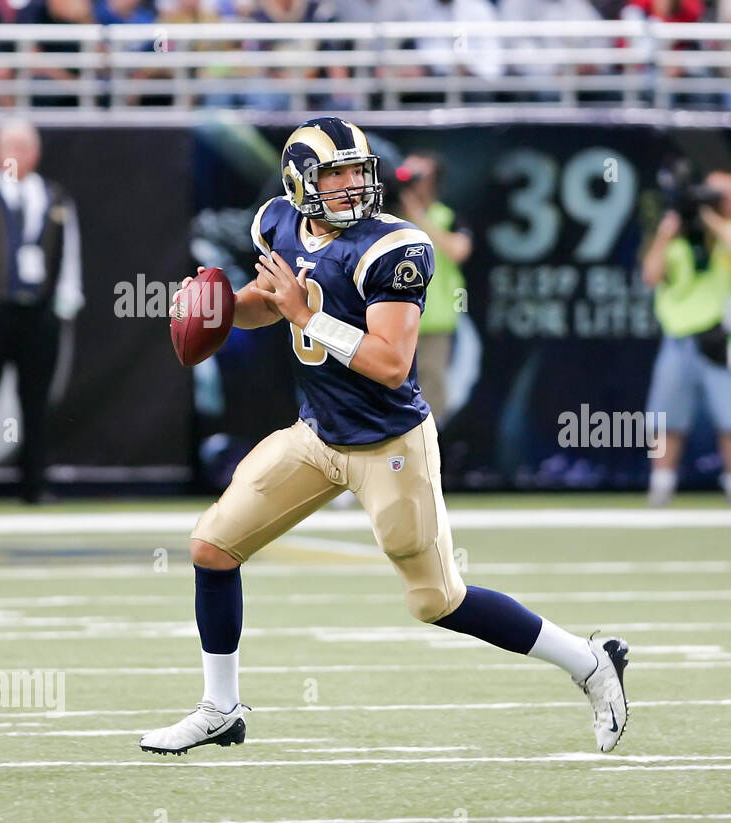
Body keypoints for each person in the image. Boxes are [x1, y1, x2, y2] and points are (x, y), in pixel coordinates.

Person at [141, 117, 628, 755]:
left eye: (356, 171)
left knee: (437, 600)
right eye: (333, 173)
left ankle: (588, 661)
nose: (349, 185)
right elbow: (271, 298)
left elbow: (390, 362)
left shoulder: (396, 247)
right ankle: (220, 708)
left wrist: (308, 316)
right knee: (212, 547)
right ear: (298, 181)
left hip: (389, 445)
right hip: (317, 437)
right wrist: (227, 309)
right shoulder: (278, 222)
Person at [0, 120, 83, 503]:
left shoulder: (55, 197)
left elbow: (70, 257)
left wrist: (64, 304)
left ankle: (33, 484)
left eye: (25, 146)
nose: (17, 154)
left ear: (37, 152)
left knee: (35, 399)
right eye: (10, 145)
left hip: (37, 312)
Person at [641, 170, 731, 507]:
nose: (727, 201)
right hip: (680, 337)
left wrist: (711, 221)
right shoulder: (677, 237)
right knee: (667, 416)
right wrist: (667, 234)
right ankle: (662, 484)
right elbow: (650, 276)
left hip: (724, 338)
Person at [388, 152, 471, 422]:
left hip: (433, 325)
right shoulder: (385, 218)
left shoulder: (446, 216)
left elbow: (460, 250)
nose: (411, 183)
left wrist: (418, 218)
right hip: (389, 324)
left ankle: (432, 455)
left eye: (418, 176)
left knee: (431, 393)